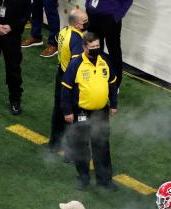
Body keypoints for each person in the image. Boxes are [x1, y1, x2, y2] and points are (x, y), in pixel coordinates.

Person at [61, 32, 119, 191]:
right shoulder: (76, 64)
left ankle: (105, 180)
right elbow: (65, 89)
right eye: (92, 47)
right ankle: (83, 178)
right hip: (81, 112)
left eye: (97, 47)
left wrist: (113, 104)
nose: (95, 50)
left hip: (101, 112)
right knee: (81, 145)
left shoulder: (105, 60)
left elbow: (112, 83)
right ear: (84, 47)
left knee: (102, 145)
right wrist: (67, 111)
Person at [50, 8, 86, 155]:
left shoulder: (64, 30)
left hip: (61, 74)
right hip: (71, 80)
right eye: (85, 21)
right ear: (77, 25)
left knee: (58, 110)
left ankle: (54, 144)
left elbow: (56, 39)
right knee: (76, 114)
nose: (87, 23)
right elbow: (76, 65)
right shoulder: (77, 40)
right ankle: (71, 152)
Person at [86, 0, 132, 89]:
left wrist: (115, 17)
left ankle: (115, 83)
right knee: (94, 49)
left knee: (114, 50)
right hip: (93, 15)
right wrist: (88, 5)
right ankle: (95, 76)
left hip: (109, 18)